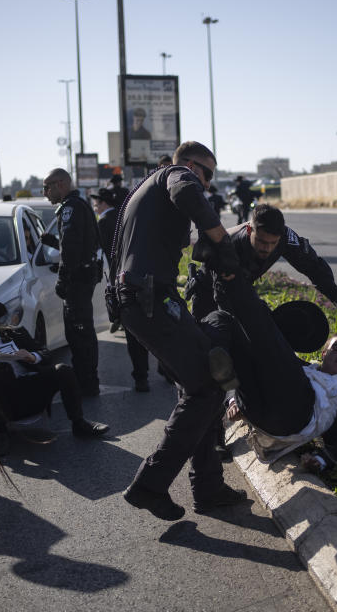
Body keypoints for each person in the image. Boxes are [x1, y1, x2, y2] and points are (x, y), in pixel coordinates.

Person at [111, 140, 245, 520]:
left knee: (205, 379)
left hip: (148, 298)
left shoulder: (144, 190)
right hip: (149, 298)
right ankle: (150, 486)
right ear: (189, 164)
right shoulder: (176, 175)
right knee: (206, 386)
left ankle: (208, 486)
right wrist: (221, 240)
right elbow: (187, 190)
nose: (207, 183)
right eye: (207, 174)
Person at [206, 280, 337, 472]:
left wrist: (322, 460)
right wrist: (233, 401)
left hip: (296, 416)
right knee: (222, 318)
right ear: (324, 353)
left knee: (265, 334)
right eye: (336, 348)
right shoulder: (304, 368)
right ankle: (220, 354)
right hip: (259, 410)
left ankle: (236, 284)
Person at [189, 204, 337, 323]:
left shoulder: (285, 237)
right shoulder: (229, 248)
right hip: (209, 289)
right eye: (262, 242)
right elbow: (223, 297)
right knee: (209, 335)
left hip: (243, 285)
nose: (267, 248)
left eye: (273, 243)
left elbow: (313, 267)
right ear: (249, 230)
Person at [0, 299, 108, 446]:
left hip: (26, 393)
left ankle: (79, 423)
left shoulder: (14, 333)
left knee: (62, 370)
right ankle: (0, 432)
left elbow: (45, 353)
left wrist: (32, 357)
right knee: (1, 371)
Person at [42, 169, 102, 397]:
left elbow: (71, 249)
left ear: (60, 185)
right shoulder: (80, 204)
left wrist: (62, 279)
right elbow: (78, 243)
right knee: (83, 332)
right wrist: (54, 242)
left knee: (79, 334)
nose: (45, 193)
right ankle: (88, 380)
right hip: (84, 278)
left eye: (47, 187)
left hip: (77, 282)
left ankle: (86, 383)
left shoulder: (69, 208)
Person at [93, 187, 151, 392]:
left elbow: (104, 252)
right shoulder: (136, 217)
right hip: (146, 277)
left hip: (123, 280)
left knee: (133, 331)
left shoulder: (106, 222)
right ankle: (166, 371)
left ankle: (141, 377)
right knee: (156, 327)